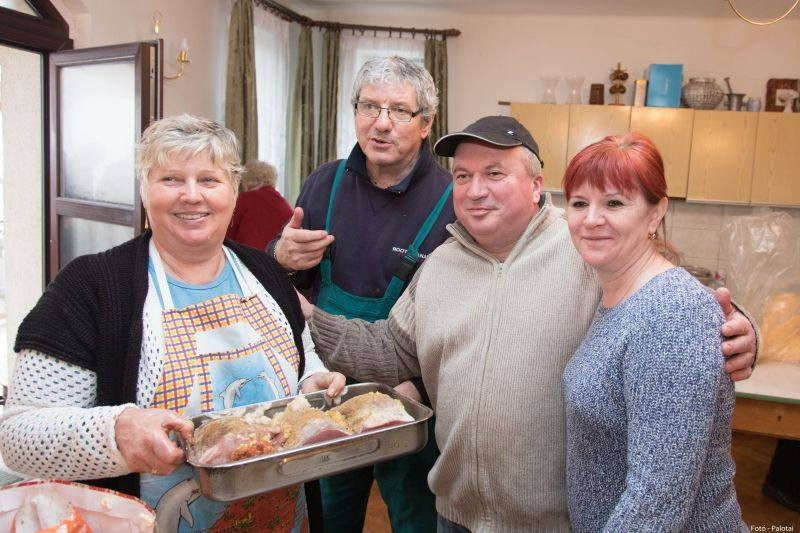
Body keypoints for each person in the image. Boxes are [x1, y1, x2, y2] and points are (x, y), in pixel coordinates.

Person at [297, 116, 758, 532]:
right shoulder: (439, 265)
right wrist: (307, 316)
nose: (475, 190)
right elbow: (389, 350)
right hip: (455, 515)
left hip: (557, 522)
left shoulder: (584, 244)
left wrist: (739, 327)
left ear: (536, 185)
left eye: (494, 173)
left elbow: (664, 298)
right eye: (463, 176)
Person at [0, 115, 345, 532]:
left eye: (209, 180)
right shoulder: (90, 288)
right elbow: (19, 436)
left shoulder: (266, 272)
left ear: (234, 190)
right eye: (171, 179)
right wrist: (115, 432)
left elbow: (302, 355)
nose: (192, 196)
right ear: (144, 189)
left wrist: (311, 382)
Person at [267, 56, 455, 532]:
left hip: (409, 398)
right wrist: (281, 256)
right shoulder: (323, 182)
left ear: (426, 123)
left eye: (399, 110)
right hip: (327, 391)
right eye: (369, 106)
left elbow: (459, 320)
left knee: (415, 520)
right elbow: (288, 283)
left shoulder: (454, 200)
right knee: (328, 516)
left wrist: (421, 388)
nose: (381, 123)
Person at [561, 133, 747, 531]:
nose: (591, 219)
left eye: (613, 203)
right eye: (579, 203)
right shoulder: (615, 292)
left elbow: (656, 502)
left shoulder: (671, 313)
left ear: (655, 212)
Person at [226, 160, 292, 249]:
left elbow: (226, 234)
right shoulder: (282, 203)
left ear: (245, 181)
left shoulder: (243, 200)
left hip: (248, 254)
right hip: (275, 255)